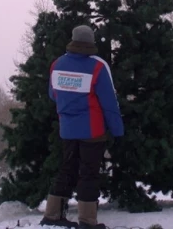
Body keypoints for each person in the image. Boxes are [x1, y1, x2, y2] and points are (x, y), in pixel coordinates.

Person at [40, 25, 124, 229]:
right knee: (88, 173)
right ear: (91, 42)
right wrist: (118, 131)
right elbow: (109, 102)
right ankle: (87, 220)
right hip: (92, 130)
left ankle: (52, 215)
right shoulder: (97, 67)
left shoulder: (57, 64)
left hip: (67, 129)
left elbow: (53, 94)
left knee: (67, 168)